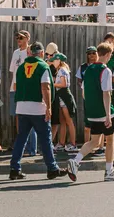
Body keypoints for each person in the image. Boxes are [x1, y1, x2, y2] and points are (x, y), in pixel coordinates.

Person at [8, 43, 71, 181]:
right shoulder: (43, 67)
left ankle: (14, 168)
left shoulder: (21, 67)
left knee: (21, 138)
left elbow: (15, 86)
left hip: (22, 107)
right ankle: (52, 168)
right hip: (38, 108)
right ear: (42, 53)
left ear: (30, 53)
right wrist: (48, 107)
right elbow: (46, 88)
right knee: (45, 138)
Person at [68, 43, 114, 182]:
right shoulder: (106, 70)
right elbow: (107, 93)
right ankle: (109, 171)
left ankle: (76, 161)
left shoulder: (88, 69)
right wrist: (108, 115)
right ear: (108, 54)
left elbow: (84, 92)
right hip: (104, 112)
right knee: (110, 141)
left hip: (92, 112)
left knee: (94, 141)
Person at [8, 30, 38, 157]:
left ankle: (32, 149)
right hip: (15, 88)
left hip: (27, 89)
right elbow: (12, 70)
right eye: (17, 38)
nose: (19, 40)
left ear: (28, 38)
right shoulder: (16, 52)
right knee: (18, 117)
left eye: (21, 38)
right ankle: (22, 145)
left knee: (29, 117)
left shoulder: (31, 52)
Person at [50, 53, 78, 151]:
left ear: (59, 61)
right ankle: (61, 143)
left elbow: (64, 84)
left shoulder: (62, 70)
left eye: (54, 60)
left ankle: (73, 144)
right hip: (61, 98)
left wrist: (53, 84)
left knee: (69, 121)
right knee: (62, 121)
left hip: (65, 97)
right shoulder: (60, 70)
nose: (53, 62)